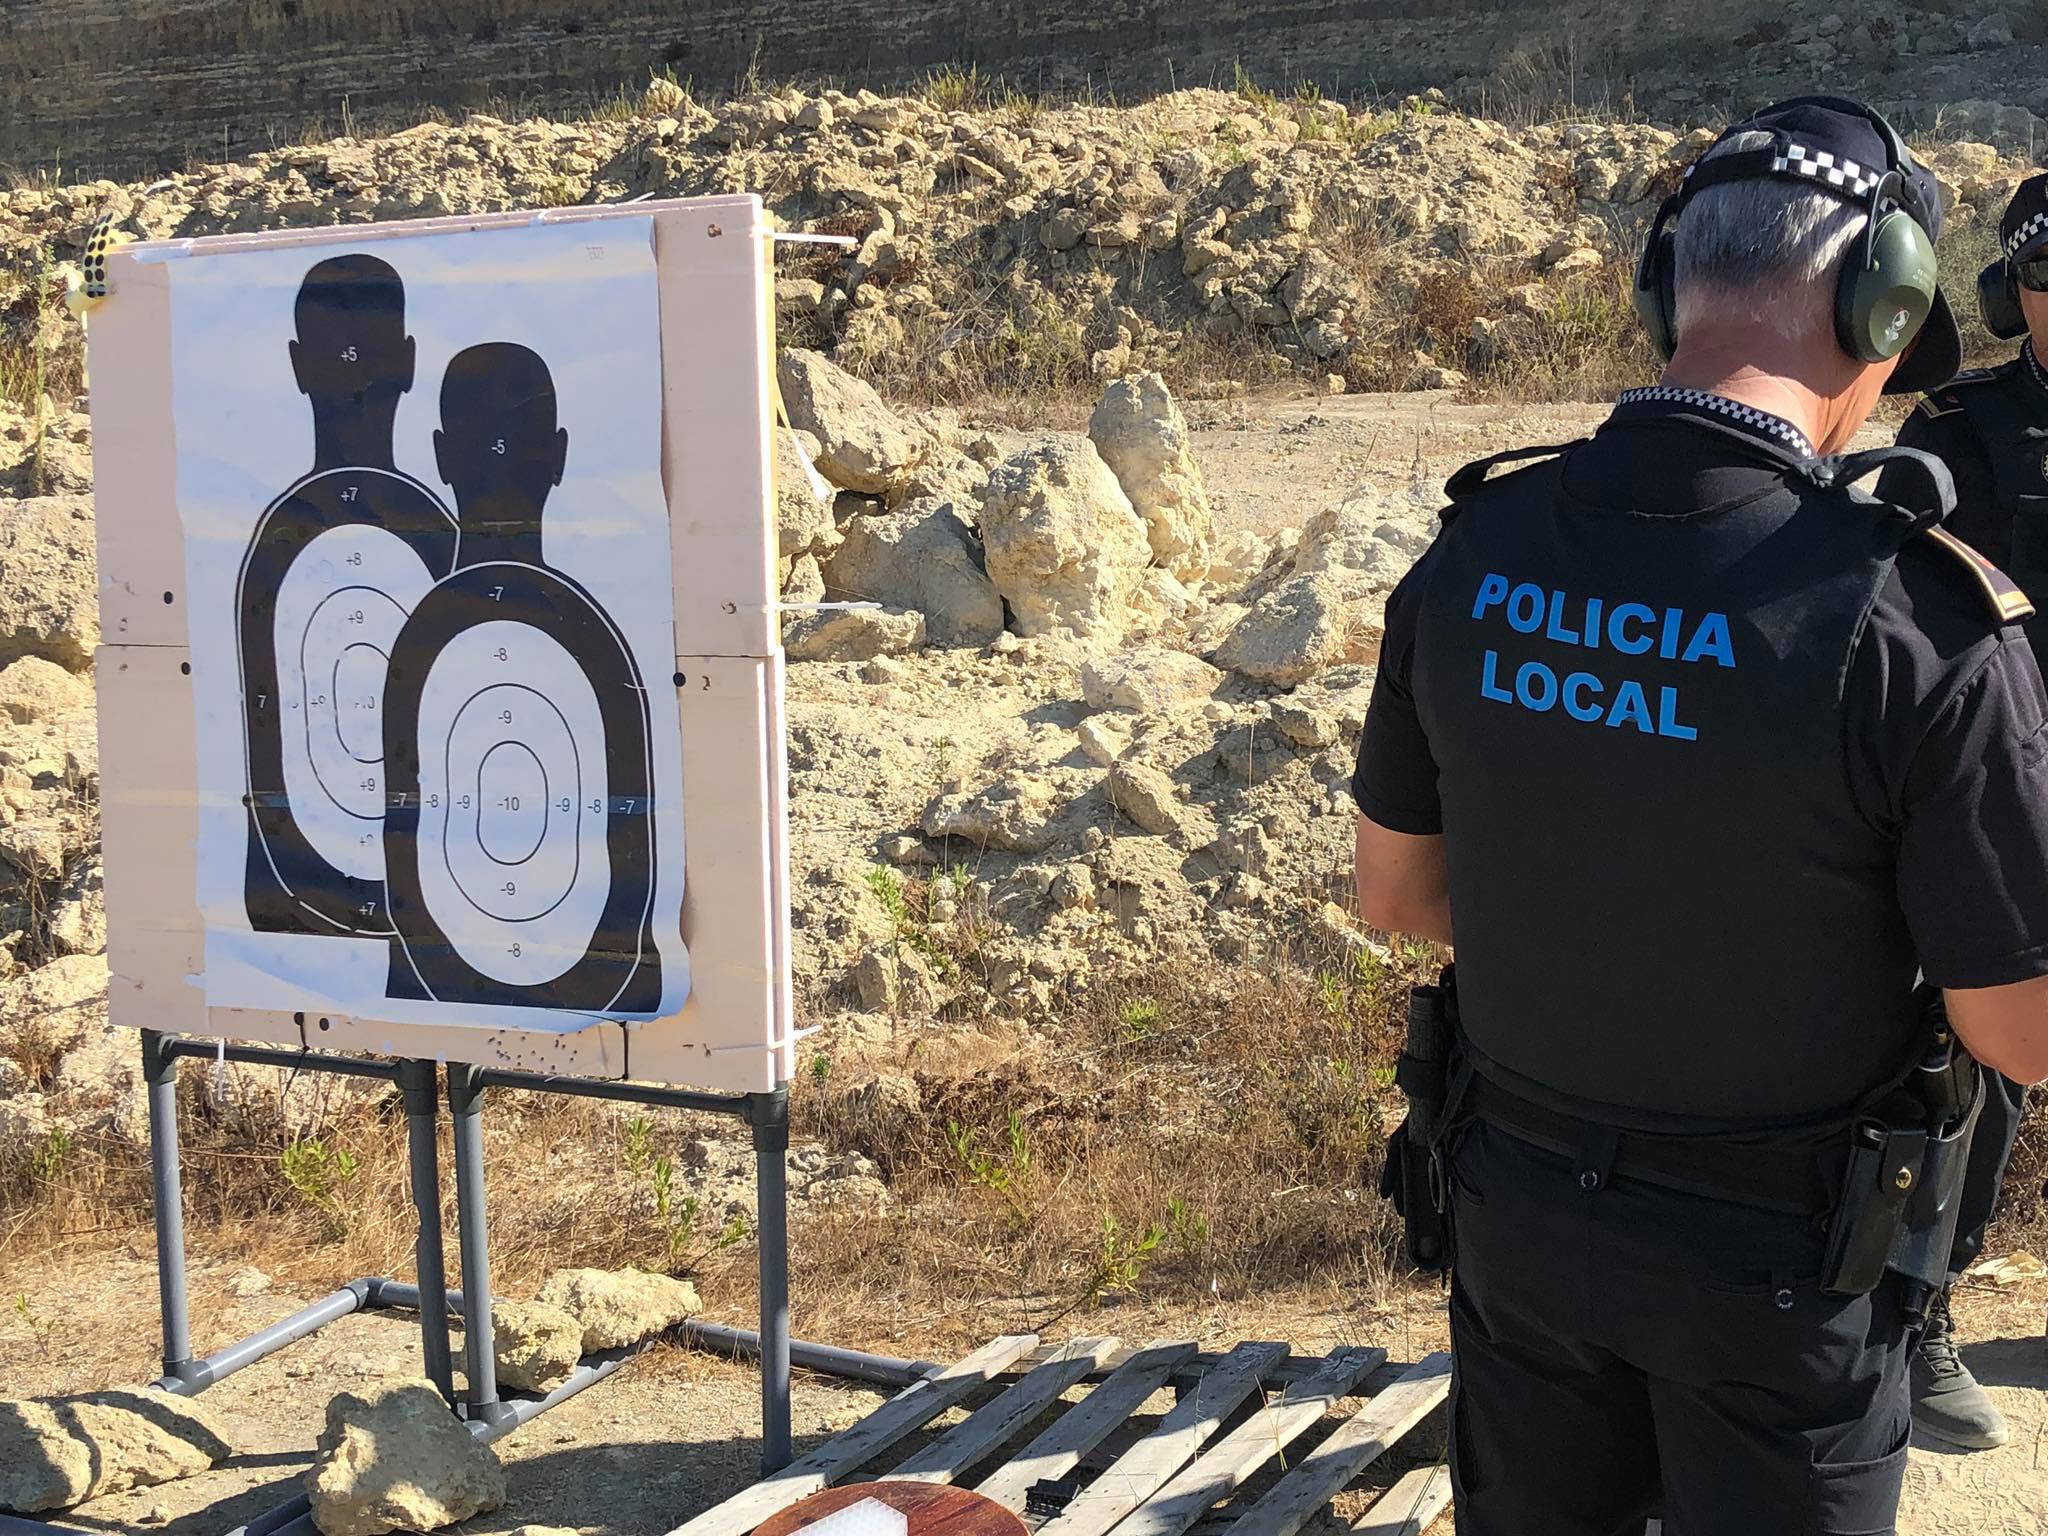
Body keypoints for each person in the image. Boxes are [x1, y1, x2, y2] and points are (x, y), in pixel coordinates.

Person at [1354, 96, 2048, 1535]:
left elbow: (1400, 897)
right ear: (1885, 303)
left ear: (1665, 283)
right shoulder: (1915, 620)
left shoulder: (1475, 551)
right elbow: (2017, 1031)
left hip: (1520, 1222)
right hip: (1782, 1279)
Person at [1880, 174, 2048, 1451]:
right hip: (1995, 789)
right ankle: (1918, 1311)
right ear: (2008, 297)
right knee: (1976, 1063)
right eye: (2042, 281)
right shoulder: (1964, 430)